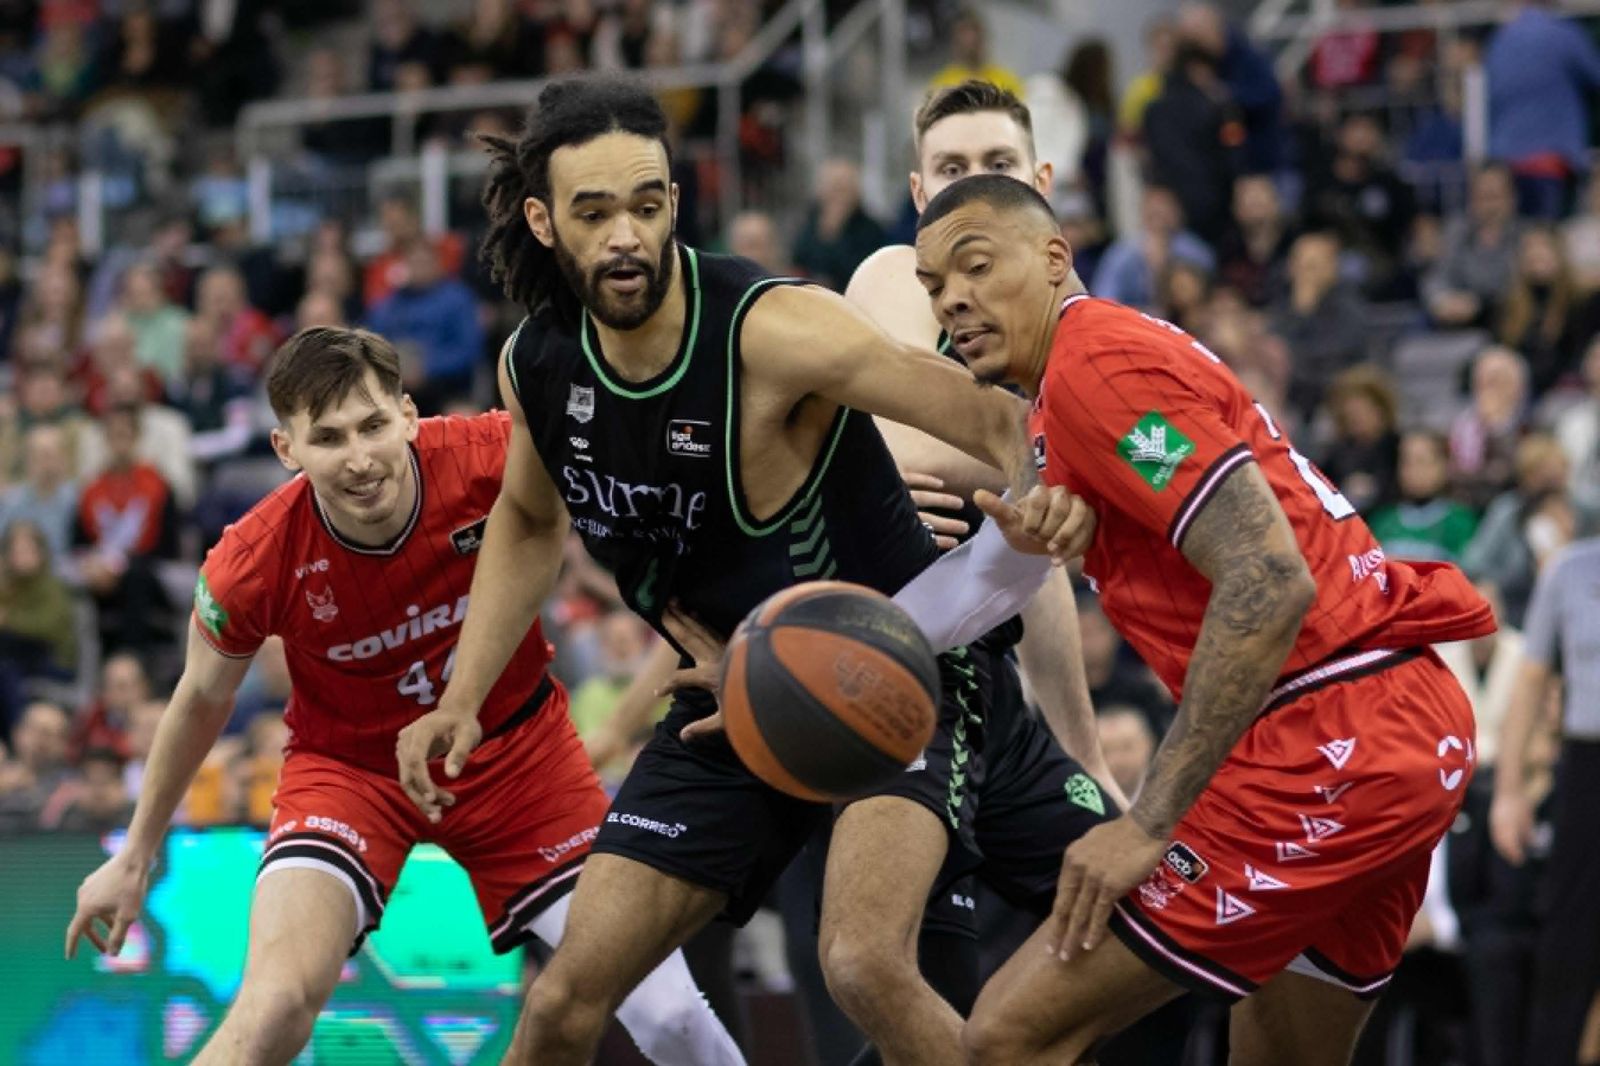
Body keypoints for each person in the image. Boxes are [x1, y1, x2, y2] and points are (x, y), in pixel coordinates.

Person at [396, 77, 1094, 1066]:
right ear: (545, 221)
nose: (628, 234)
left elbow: (986, 412)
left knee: (866, 964)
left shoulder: (773, 329)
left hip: (891, 671)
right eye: (594, 212)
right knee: (560, 1006)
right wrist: (461, 696)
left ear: (675, 201)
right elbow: (523, 514)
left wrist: (1047, 483)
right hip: (731, 694)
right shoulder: (538, 363)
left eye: (647, 203)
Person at [908, 174, 1497, 1063]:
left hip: (1326, 726)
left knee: (1005, 1038)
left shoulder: (1092, 363)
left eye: (978, 266)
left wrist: (1148, 823)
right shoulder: (1065, 399)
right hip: (1395, 717)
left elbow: (1270, 577)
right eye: (933, 285)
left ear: (1055, 256)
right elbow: (989, 582)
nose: (954, 296)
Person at [63, 327, 743, 1066]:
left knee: (671, 1015)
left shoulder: (495, 455)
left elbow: (649, 482)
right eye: (327, 438)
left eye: (373, 426)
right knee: (272, 1010)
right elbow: (199, 699)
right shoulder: (250, 563)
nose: (358, 459)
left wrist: (708, 618)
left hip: (520, 758)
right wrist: (134, 853)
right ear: (286, 449)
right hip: (349, 773)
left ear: (408, 415)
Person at [1489, 533, 1600, 1065]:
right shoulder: (1571, 570)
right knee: (1567, 943)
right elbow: (1531, 683)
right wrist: (1509, 793)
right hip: (1586, 767)